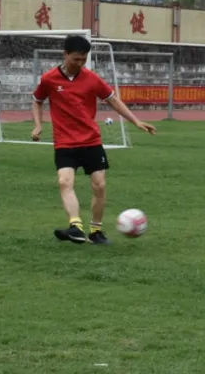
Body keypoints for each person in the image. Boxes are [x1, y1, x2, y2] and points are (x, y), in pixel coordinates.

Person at [31, 34, 156, 245]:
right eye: (75, 59)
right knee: (64, 181)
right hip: (64, 142)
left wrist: (136, 122)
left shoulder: (92, 78)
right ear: (65, 54)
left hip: (90, 141)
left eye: (83, 60)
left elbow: (113, 101)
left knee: (99, 186)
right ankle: (75, 226)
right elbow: (37, 101)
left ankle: (96, 231)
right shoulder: (49, 79)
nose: (79, 64)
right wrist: (38, 125)